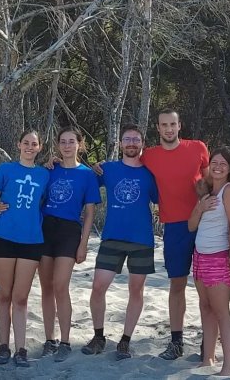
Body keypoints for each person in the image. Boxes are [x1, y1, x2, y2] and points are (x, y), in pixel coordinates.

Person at [121, 109, 209, 360]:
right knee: (177, 284)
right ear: (157, 128)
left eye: (173, 124)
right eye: (163, 125)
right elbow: (125, 165)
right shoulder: (149, 156)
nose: (169, 129)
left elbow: (213, 177)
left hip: (204, 223)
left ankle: (208, 340)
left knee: (206, 287)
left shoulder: (198, 148)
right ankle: (176, 341)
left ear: (180, 125)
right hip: (174, 227)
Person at [81, 124, 158, 361]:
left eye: (136, 139)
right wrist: (54, 161)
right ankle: (98, 336)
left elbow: (165, 197)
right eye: (127, 139)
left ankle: (125, 341)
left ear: (142, 143)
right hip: (112, 236)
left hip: (141, 238)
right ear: (121, 143)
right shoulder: (108, 169)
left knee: (136, 290)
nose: (132, 143)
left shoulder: (151, 172)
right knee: (98, 287)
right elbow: (79, 177)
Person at [0, 130, 50, 368]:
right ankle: (3, 346)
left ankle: (21, 349)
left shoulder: (44, 174)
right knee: (5, 295)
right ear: (19, 145)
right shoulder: (5, 170)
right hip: (4, 238)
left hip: (32, 240)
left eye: (34, 144)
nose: (30, 147)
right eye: (26, 143)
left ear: (40, 147)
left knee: (21, 298)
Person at [39, 126, 101, 362]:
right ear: (57, 145)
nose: (67, 146)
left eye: (71, 142)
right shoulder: (50, 170)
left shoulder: (86, 175)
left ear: (79, 144)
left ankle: (65, 340)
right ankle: (49, 339)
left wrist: (83, 244)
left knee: (60, 285)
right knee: (46, 287)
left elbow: (90, 213)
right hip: (46, 229)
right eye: (62, 142)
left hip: (69, 231)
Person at [188, 147, 230, 377]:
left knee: (221, 311)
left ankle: (228, 366)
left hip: (218, 257)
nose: (218, 166)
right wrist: (200, 207)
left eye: (223, 163)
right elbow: (191, 225)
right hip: (199, 256)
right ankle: (208, 357)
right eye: (214, 162)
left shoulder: (229, 191)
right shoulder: (206, 193)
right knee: (205, 307)